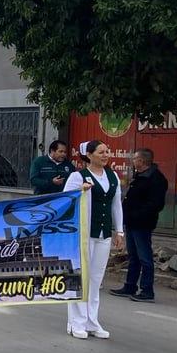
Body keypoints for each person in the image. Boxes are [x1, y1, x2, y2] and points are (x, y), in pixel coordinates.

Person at [64, 140, 123, 340]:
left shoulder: (112, 176)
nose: (105, 155)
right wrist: (80, 190)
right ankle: (76, 323)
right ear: (89, 155)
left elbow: (116, 205)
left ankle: (92, 321)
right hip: (83, 234)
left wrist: (120, 231)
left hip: (103, 233)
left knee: (96, 280)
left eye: (107, 151)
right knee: (81, 278)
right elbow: (65, 202)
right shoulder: (77, 176)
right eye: (101, 152)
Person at [110, 148, 168, 303]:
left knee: (145, 257)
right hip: (132, 222)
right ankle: (130, 286)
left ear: (142, 161)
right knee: (133, 256)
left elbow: (155, 204)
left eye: (135, 158)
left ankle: (147, 290)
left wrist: (136, 213)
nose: (133, 161)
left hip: (142, 223)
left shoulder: (155, 178)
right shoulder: (140, 176)